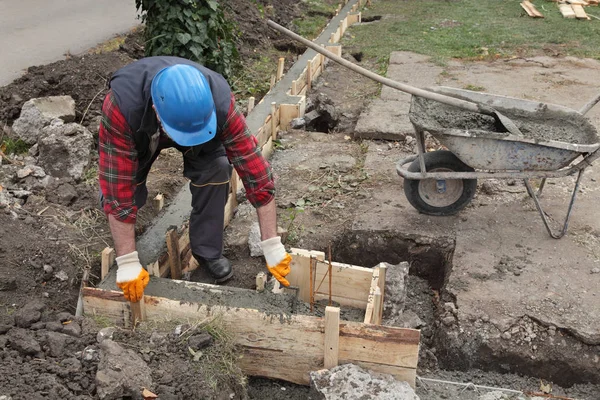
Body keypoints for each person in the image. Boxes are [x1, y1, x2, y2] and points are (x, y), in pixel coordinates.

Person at [98, 56, 292, 302]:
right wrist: (126, 261)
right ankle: (126, 250)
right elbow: (118, 188)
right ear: (157, 111)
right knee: (126, 189)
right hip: (140, 126)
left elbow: (256, 171)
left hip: (195, 126)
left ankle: (208, 252)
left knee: (217, 168)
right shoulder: (122, 107)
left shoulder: (219, 100)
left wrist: (272, 244)